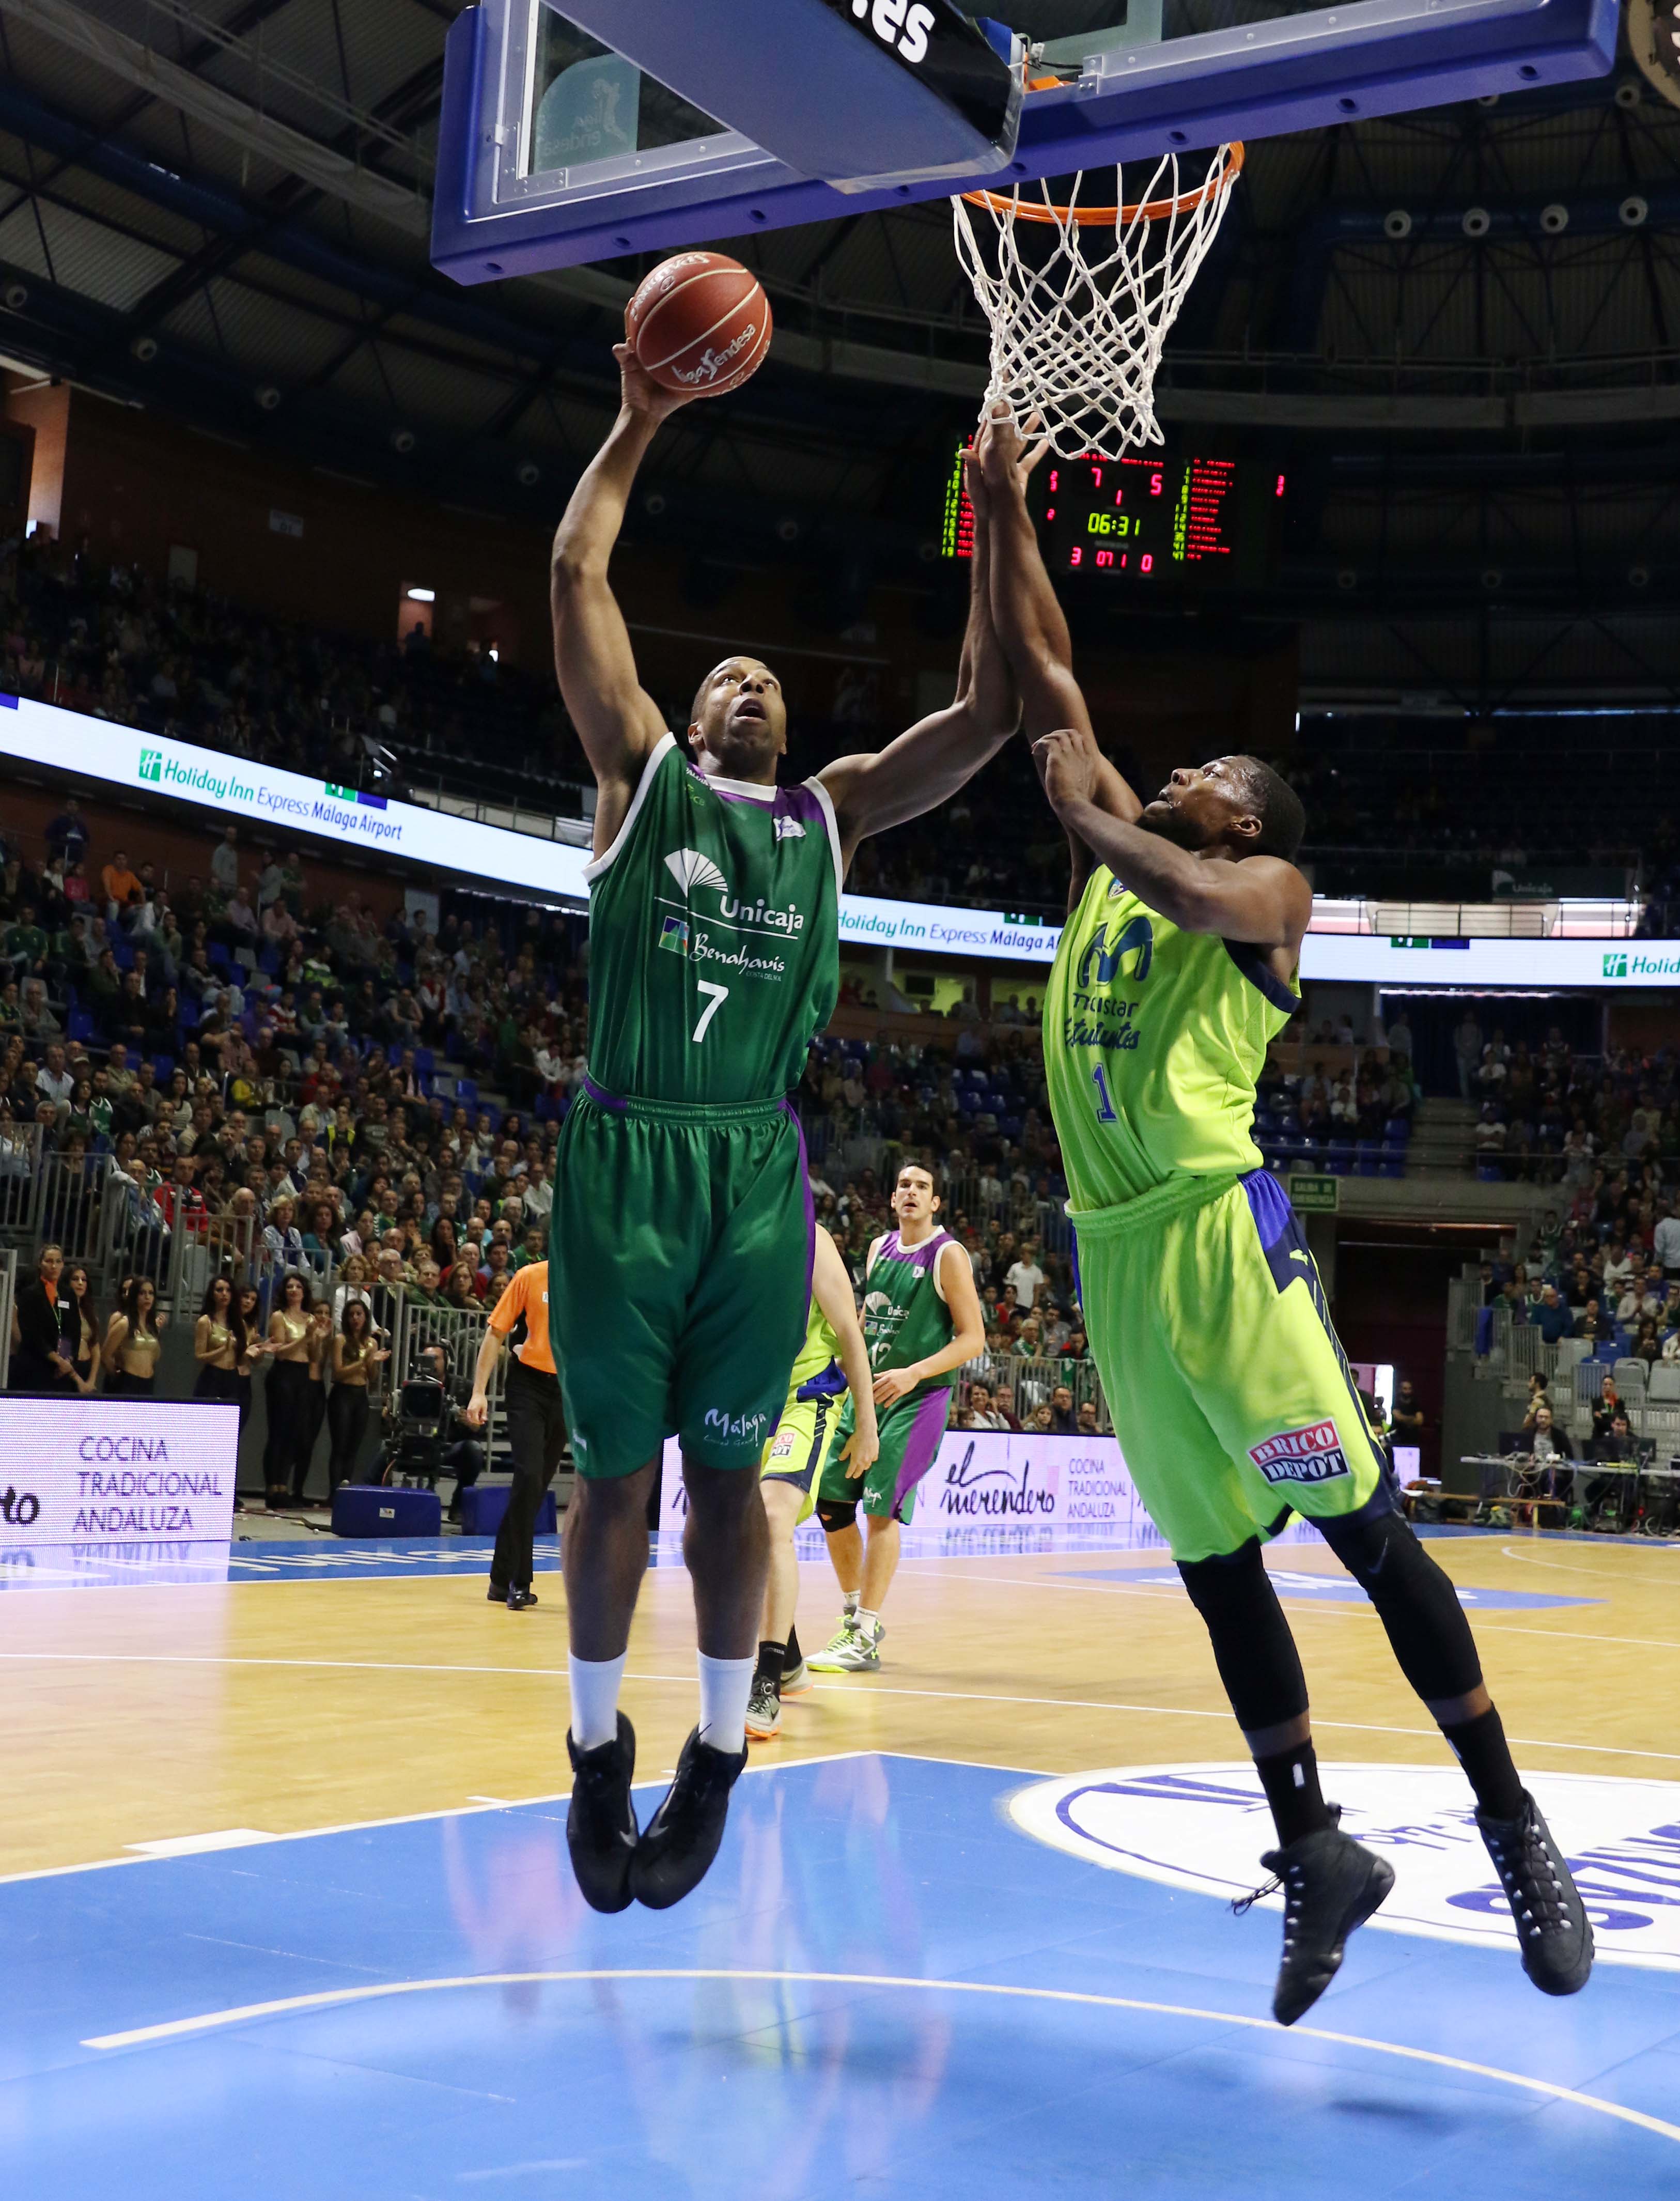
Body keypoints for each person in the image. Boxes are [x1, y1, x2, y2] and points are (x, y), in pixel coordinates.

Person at [978, 400, 1591, 2026]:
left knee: (1362, 1533)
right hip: (1114, 1256)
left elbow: (1175, 876)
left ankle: (1508, 1816)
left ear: (1246, 814)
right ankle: (1313, 1846)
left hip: (1217, 1240)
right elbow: (1042, 664)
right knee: (1212, 1568)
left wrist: (1089, 810)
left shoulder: (1262, 892)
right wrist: (1000, 503)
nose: (1178, 773)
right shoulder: (1118, 857)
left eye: (1208, 773)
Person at [543, 343, 1017, 1915]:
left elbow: (989, 708)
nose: (749, 683)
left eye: (772, 679)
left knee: (731, 1486)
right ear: (688, 715)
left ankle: (716, 1750)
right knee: (614, 1485)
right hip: (627, 1152)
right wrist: (638, 416)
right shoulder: (640, 778)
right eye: (724, 676)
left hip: (754, 1168)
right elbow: (574, 572)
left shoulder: (831, 813)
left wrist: (995, 512)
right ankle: (595, 1748)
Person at [810, 1163, 985, 1674]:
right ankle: (853, 1618)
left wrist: (914, 1373)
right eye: (904, 1185)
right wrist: (843, 1366)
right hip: (869, 1395)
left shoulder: (947, 1254)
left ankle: (864, 1633)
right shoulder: (878, 1248)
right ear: (892, 1199)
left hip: (919, 1398)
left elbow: (974, 1339)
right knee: (831, 1501)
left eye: (922, 1187)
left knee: (880, 1509)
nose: (912, 1191)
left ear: (935, 1203)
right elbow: (868, 1321)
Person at [744, 1227, 878, 1741]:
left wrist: (866, 1424)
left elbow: (849, 1332)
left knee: (772, 1520)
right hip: (748, 1401)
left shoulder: (809, 1238)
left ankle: (765, 1682)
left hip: (806, 1397)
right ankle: (790, 1661)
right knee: (742, 1535)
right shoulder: (720, 1228)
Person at [465, 1260, 565, 1611]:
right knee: (529, 1475)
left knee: (533, 1489)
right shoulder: (530, 1276)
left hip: (566, 1390)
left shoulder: (592, 1280)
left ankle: (500, 1577)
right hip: (528, 1386)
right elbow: (496, 1333)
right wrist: (479, 1392)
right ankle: (519, 1583)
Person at [264, 1273, 315, 1508]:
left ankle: (284, 1486)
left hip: (303, 1375)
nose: (294, 1290)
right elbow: (281, 1352)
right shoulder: (279, 1317)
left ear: (305, 1292)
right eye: (290, 1287)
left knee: (295, 1433)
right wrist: (306, 1338)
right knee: (279, 1431)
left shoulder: (310, 1319)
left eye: (298, 1287)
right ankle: (272, 1487)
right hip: (284, 1373)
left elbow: (314, 1354)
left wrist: (319, 1338)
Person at [328, 1301, 387, 1492]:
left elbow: (372, 1377)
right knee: (340, 1446)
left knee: (353, 1448)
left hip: (361, 1395)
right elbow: (338, 1372)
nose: (355, 1318)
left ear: (366, 1317)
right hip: (342, 1394)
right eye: (351, 1314)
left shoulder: (372, 1343)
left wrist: (373, 1362)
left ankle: (346, 1489)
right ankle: (334, 1491)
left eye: (359, 1314)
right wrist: (365, 1359)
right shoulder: (341, 1340)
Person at [11, 1243, 79, 1395]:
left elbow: (73, 1330)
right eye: (49, 1261)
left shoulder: (68, 1294)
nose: (54, 1266)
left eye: (58, 1261)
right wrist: (57, 1359)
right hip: (35, 1366)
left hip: (61, 1370)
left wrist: (66, 1360)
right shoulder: (30, 1294)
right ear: (40, 1264)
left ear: (63, 1265)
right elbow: (31, 1334)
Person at [103, 1274, 163, 1395]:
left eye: (151, 1293)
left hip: (148, 1383)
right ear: (135, 1296)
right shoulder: (124, 1323)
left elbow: (155, 1356)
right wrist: (116, 1375)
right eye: (142, 1293)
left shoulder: (152, 1326)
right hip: (128, 1382)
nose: (147, 1297)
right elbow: (105, 1354)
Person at [193, 1274, 245, 1405]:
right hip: (213, 1376)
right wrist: (224, 1349)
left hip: (233, 1376)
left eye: (228, 1290)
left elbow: (241, 1355)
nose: (224, 1294)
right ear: (212, 1294)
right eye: (220, 1290)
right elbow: (199, 1356)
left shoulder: (238, 1322)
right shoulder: (205, 1321)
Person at [60, 1261, 100, 1395]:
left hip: (86, 1367)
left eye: (84, 1280)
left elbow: (95, 1349)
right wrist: (78, 1380)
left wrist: (92, 1381)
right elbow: (63, 1349)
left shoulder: (89, 1313)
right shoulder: (61, 1309)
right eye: (75, 1279)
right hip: (67, 1369)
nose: (80, 1283)